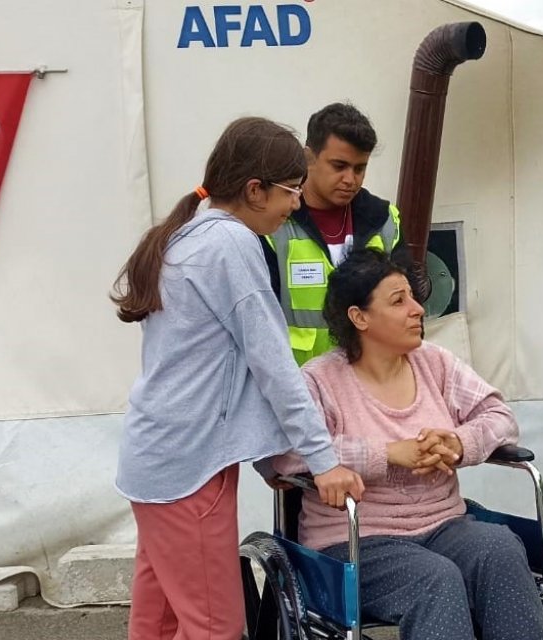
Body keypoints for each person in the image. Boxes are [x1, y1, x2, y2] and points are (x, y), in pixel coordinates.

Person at [110, 117, 364, 640]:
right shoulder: (232, 244)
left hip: (163, 460)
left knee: (158, 626)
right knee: (215, 628)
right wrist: (323, 461)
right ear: (255, 190)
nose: (296, 204)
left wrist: (270, 454)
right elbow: (272, 367)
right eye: (291, 192)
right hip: (189, 467)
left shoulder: (190, 236)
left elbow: (219, 375)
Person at [267, 248, 543, 640]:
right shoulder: (320, 380)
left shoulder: (435, 363)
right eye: (399, 301)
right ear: (359, 316)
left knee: (499, 548)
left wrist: (458, 441)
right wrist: (385, 454)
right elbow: (285, 452)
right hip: (357, 542)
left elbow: (500, 418)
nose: (418, 309)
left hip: (443, 524)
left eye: (414, 298)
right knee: (436, 579)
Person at [259, 102, 406, 366]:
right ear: (308, 158)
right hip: (298, 388)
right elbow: (256, 326)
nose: (351, 179)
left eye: (359, 168)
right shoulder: (274, 222)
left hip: (369, 386)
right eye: (339, 166)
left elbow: (407, 307)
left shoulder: (384, 220)